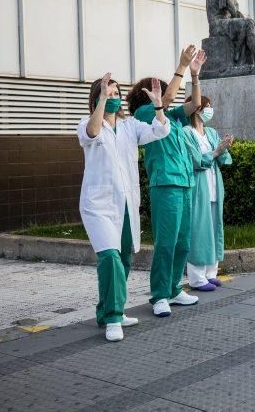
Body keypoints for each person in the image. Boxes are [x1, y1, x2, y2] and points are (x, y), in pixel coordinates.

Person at [78, 73, 169, 342]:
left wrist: (158, 106)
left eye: (117, 94)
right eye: (108, 93)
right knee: (110, 258)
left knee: (125, 257)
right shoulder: (86, 123)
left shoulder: (130, 126)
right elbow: (92, 133)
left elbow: (161, 130)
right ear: (96, 97)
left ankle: (105, 310)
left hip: (126, 202)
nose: (114, 98)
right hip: (98, 205)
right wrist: (102, 100)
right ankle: (114, 317)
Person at [127, 44, 207, 318]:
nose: (164, 96)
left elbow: (195, 105)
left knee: (183, 242)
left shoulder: (170, 117)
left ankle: (173, 289)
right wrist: (182, 65)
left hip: (184, 184)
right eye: (158, 92)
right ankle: (159, 294)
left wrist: (194, 76)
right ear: (147, 98)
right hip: (165, 186)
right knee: (166, 242)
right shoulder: (143, 115)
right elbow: (170, 97)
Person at [182, 96, 234, 292]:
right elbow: (195, 161)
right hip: (198, 189)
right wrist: (214, 152)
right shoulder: (186, 133)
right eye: (207, 107)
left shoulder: (211, 132)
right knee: (199, 231)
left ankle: (211, 273)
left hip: (214, 187)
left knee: (214, 229)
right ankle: (196, 278)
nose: (210, 110)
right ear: (197, 109)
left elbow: (223, 160)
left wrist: (224, 147)